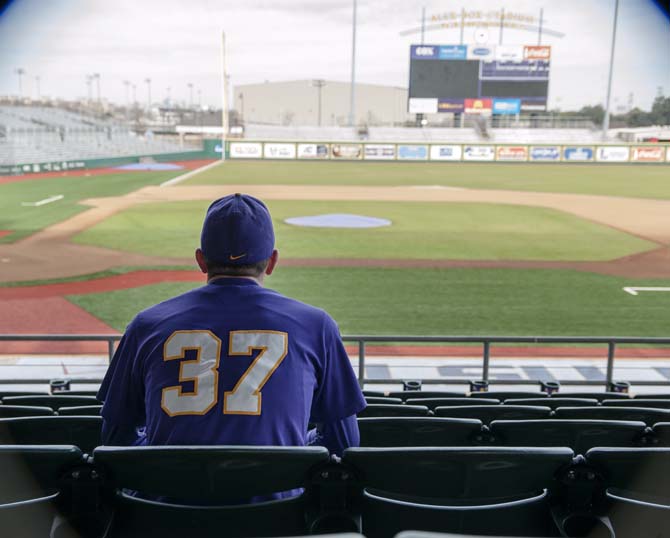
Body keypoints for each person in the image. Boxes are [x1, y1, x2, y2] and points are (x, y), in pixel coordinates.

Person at [97, 193, 366, 457]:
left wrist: (162, 451)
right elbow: (342, 442)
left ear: (201, 260)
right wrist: (294, 445)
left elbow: (115, 439)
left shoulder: (146, 325)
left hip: (162, 499)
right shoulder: (316, 326)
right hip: (281, 499)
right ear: (272, 261)